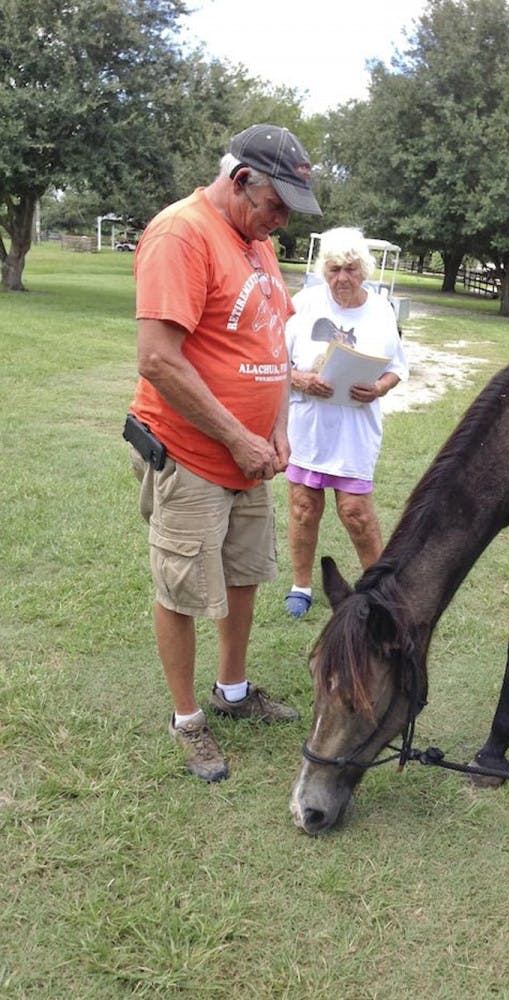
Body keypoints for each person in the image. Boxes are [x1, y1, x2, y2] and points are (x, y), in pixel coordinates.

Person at [127, 124, 322, 782]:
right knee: (183, 589)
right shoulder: (181, 234)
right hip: (190, 455)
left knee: (242, 577)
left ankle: (231, 693)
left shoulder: (258, 243)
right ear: (242, 180)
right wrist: (237, 436)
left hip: (251, 458)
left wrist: (278, 427)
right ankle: (188, 721)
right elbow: (158, 359)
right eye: (277, 205)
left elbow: (272, 346)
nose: (283, 221)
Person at [283, 227, 409, 617]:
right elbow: (275, 360)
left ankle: (381, 591)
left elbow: (396, 368)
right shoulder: (303, 304)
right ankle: (300, 585)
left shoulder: (381, 311)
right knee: (304, 507)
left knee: (356, 512)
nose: (342, 278)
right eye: (334, 268)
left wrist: (380, 388)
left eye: (351, 269)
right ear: (324, 269)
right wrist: (300, 378)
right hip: (310, 427)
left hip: (354, 430)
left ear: (364, 270)